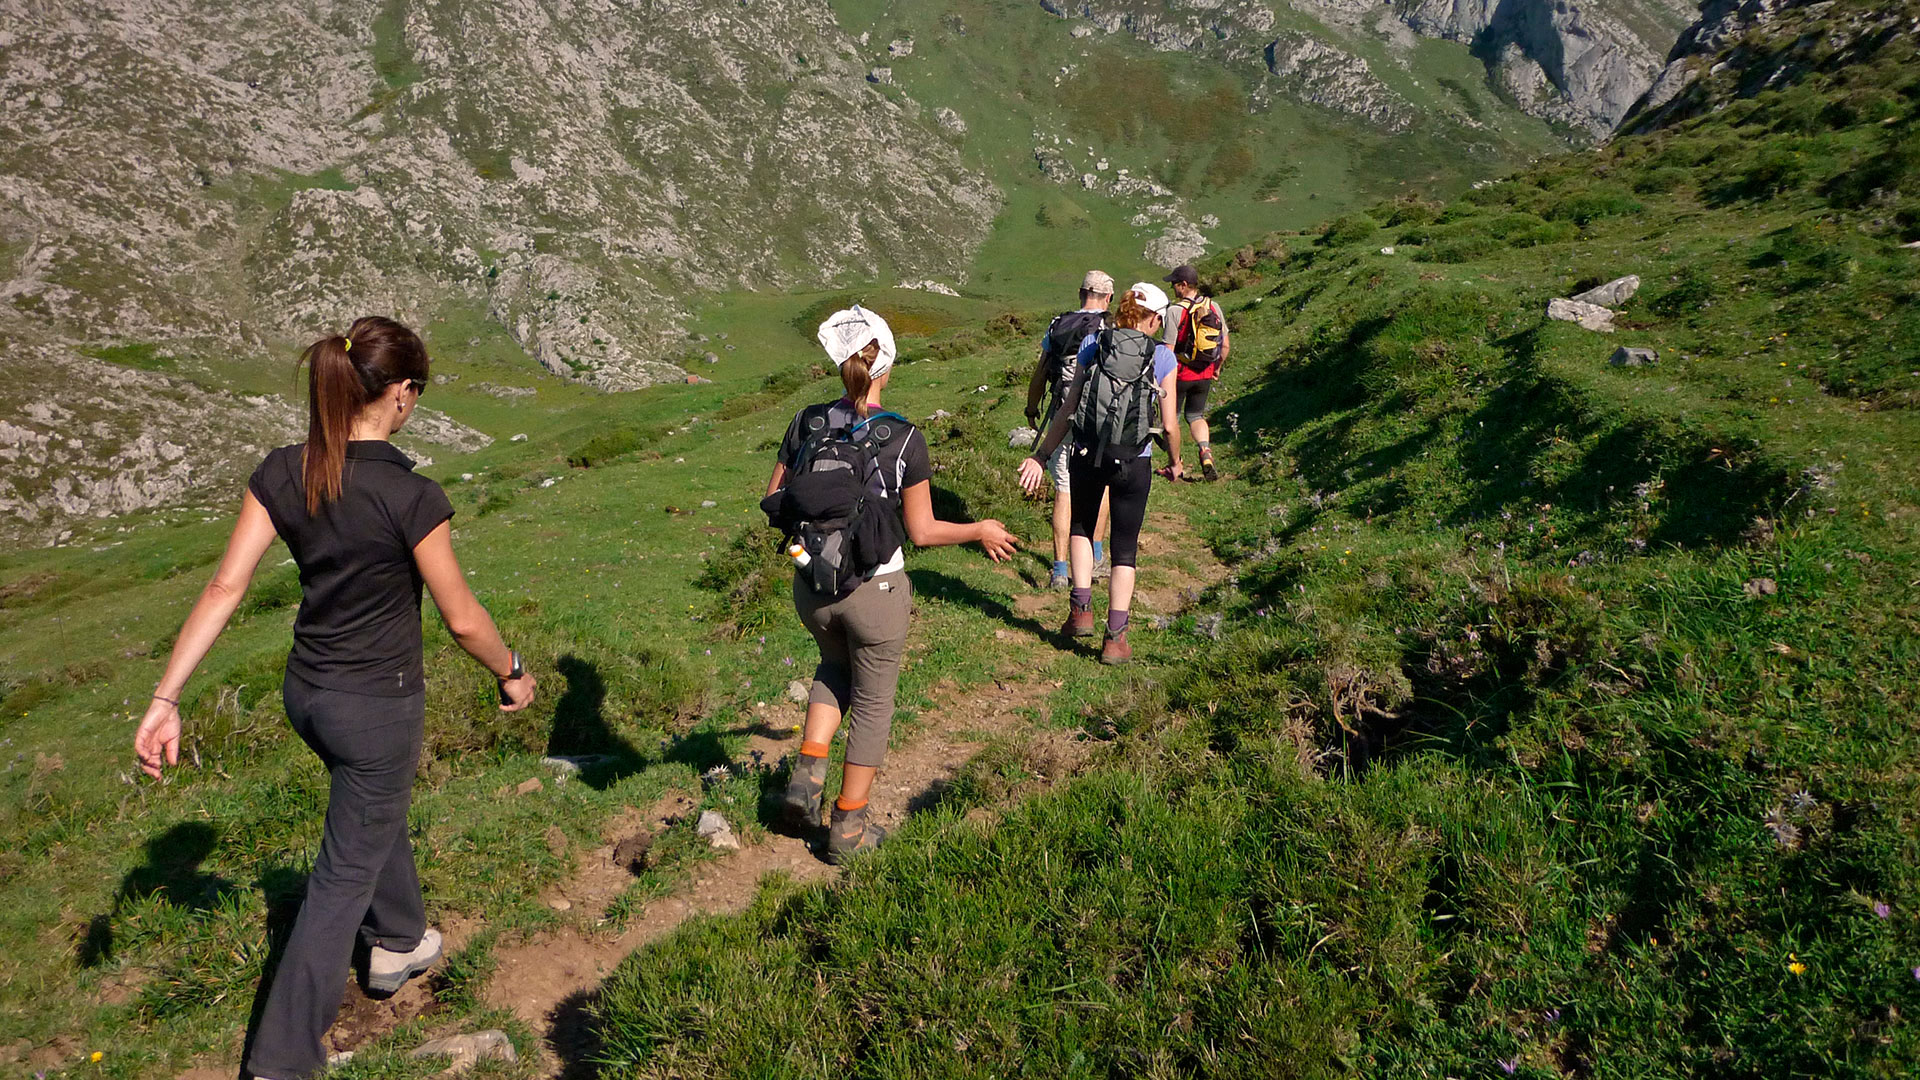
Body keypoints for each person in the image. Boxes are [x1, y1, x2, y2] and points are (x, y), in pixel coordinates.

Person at [132, 316, 536, 1080]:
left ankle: (401, 938)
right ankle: (282, 1060)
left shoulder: (286, 470)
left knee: (367, 812)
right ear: (403, 394)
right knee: (339, 874)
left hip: (307, 694)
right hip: (376, 704)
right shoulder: (410, 495)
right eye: (417, 389)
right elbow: (461, 618)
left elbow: (226, 586)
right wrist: (512, 669)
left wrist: (166, 696)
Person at [765, 306, 1017, 861]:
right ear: (887, 365)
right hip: (876, 592)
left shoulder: (805, 422)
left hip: (812, 587)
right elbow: (922, 532)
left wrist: (809, 548)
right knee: (875, 703)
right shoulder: (903, 438)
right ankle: (848, 830)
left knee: (833, 668)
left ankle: (806, 781)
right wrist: (978, 529)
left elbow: (775, 501)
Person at [1018, 283, 1183, 664]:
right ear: (1155, 318)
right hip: (1134, 460)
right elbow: (1171, 426)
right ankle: (1115, 638)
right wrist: (1175, 462)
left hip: (1087, 452)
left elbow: (1069, 407)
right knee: (1124, 548)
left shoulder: (1094, 345)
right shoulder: (1162, 358)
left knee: (1081, 525)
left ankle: (1080, 611)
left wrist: (1041, 455)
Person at [1024, 270, 1114, 590]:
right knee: (1100, 485)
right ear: (1108, 298)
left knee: (1064, 489)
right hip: (1097, 420)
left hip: (1062, 416)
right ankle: (1098, 555)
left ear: (1080, 294)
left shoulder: (1058, 324)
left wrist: (1032, 409)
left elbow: (1040, 372)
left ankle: (1060, 569)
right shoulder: (1109, 325)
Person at [1162, 264, 1230, 481]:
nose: (1173, 287)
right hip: (1205, 373)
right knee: (1196, 415)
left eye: (1175, 284)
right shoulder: (1214, 306)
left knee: (1172, 419)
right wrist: (1216, 368)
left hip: (1181, 374)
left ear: (1184, 285)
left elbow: (1168, 350)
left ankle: (1176, 463)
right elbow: (1225, 345)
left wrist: (1162, 377)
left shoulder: (1174, 311)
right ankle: (1205, 451)